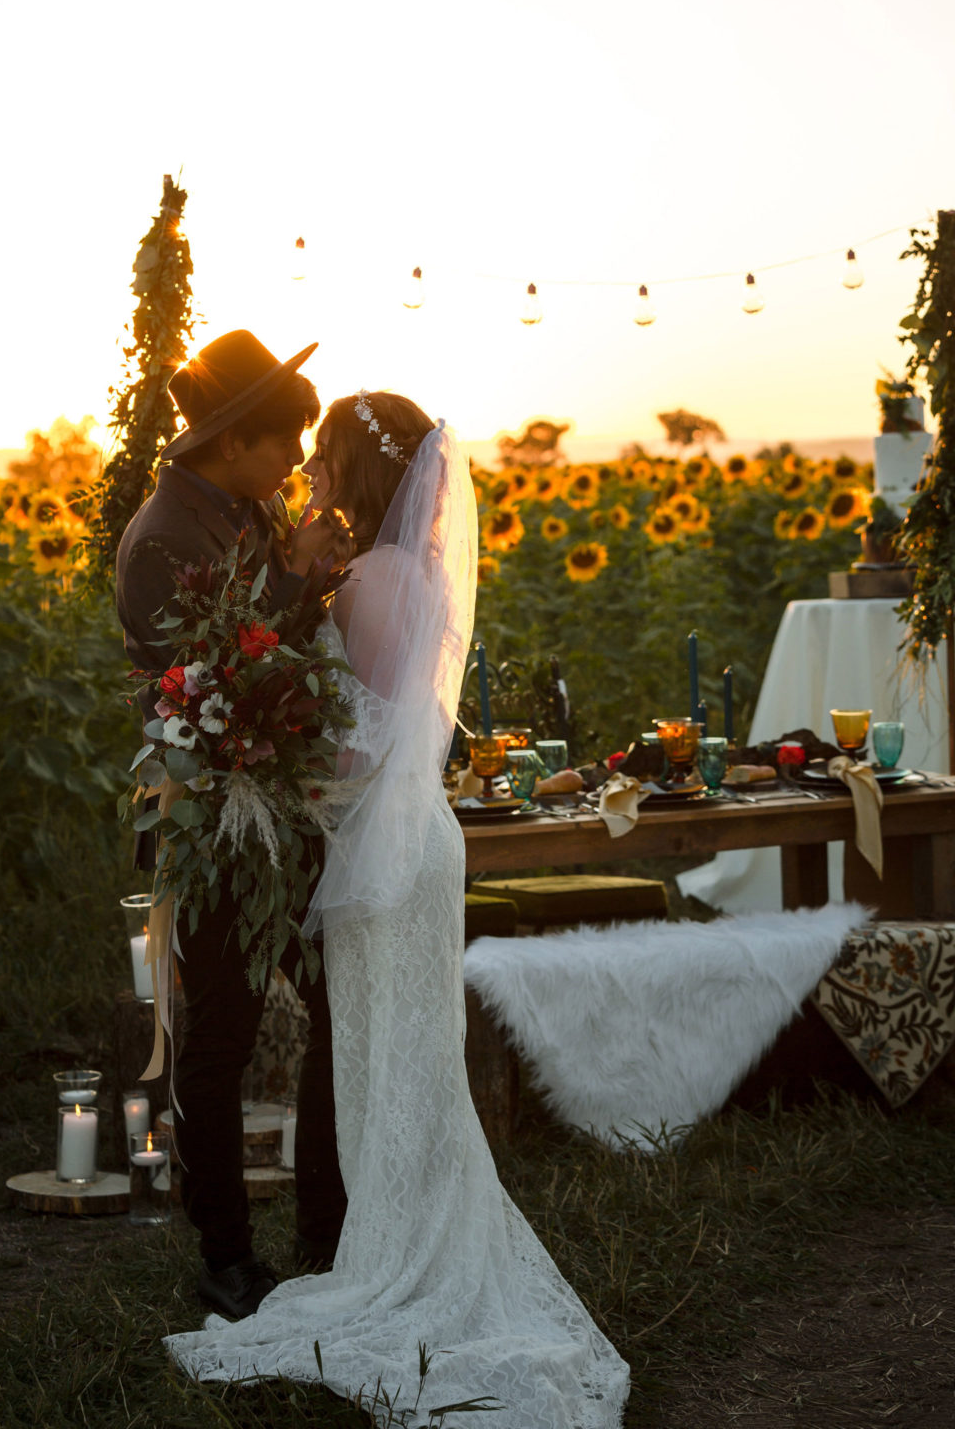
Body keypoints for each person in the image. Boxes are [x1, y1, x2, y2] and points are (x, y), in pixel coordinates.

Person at [164, 392, 630, 1427]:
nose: (310, 475)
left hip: (387, 853)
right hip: (405, 848)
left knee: (392, 1060)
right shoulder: (399, 572)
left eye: (323, 459)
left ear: (359, 471)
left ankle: (399, 1262)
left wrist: (263, 756)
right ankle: (392, 1239)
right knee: (397, 1061)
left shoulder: (369, 581)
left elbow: (360, 743)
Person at [115, 329, 349, 1321]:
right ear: (228, 441)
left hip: (276, 806)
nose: (295, 460)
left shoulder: (240, 507)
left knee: (337, 988)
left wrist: (315, 571)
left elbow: (275, 645)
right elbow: (211, 682)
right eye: (282, 440)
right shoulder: (165, 534)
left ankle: (325, 1225)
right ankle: (224, 1256)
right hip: (210, 817)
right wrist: (296, 578)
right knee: (220, 1035)